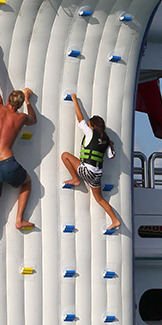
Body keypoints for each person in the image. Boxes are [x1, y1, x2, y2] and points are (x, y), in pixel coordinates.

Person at [0, 39, 37, 271]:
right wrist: (29, 100)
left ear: (7, 99)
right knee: (27, 182)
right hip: (8, 162)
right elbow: (33, 120)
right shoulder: (21, 117)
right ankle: (19, 218)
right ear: (20, 103)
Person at [60, 93, 122, 232]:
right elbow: (111, 156)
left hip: (87, 171)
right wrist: (111, 145)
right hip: (97, 175)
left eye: (89, 124)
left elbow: (80, 119)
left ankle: (76, 179)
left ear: (92, 126)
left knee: (65, 155)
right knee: (99, 199)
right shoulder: (106, 139)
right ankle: (115, 220)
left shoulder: (90, 133)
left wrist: (75, 101)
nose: (87, 124)